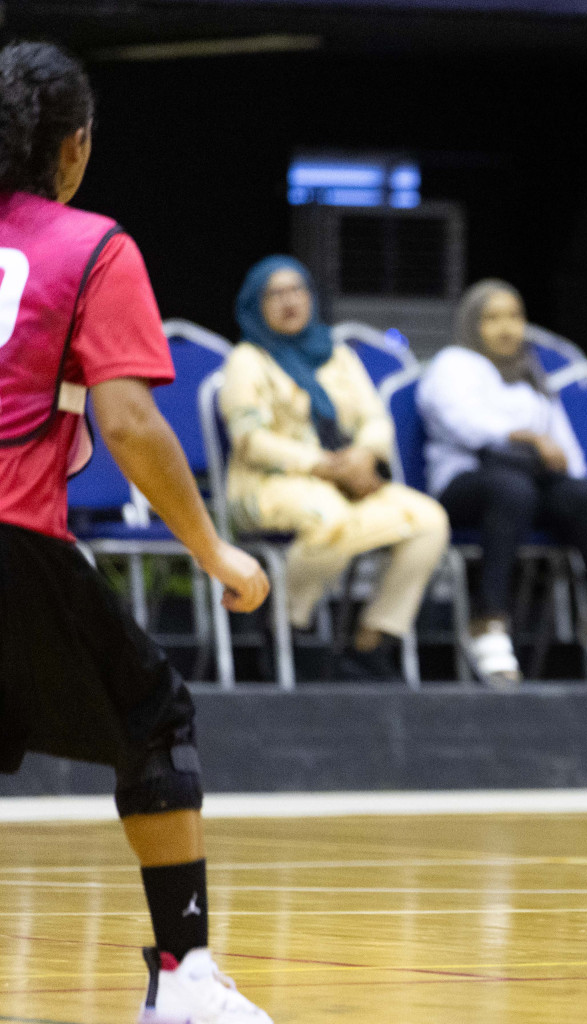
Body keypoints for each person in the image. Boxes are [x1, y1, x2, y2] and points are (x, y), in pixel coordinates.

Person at [0, 40, 273, 1023]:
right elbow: (129, 422)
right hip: (13, 539)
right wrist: (214, 549)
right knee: (155, 723)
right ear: (72, 150)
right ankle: (183, 977)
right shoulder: (91, 246)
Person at [221, 256, 449, 678]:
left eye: (297, 290)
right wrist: (323, 465)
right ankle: (284, 623)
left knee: (429, 520)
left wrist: (363, 455)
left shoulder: (336, 354)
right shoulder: (247, 359)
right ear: (256, 304)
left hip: (347, 479)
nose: (289, 301)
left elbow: (375, 419)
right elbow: (250, 440)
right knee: (329, 517)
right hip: (267, 486)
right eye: (275, 293)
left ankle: (371, 640)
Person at [417, 279, 587, 685]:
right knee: (509, 490)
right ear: (471, 323)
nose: (506, 328)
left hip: (529, 486)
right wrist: (528, 437)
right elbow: (464, 425)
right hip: (464, 483)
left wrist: (569, 479)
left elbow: (565, 448)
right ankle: (488, 621)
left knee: (585, 496)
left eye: (514, 317)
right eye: (492, 318)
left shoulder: (531, 372)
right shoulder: (453, 363)